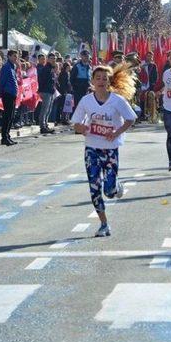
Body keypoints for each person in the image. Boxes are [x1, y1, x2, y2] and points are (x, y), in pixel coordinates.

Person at [71, 63, 137, 237]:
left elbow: (131, 119)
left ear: (109, 81)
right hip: (91, 148)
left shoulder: (117, 100)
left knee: (109, 191)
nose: (101, 81)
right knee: (94, 187)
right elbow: (76, 122)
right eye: (97, 78)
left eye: (104, 78)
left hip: (110, 149)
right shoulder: (86, 101)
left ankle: (115, 186)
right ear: (92, 81)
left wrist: (116, 132)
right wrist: (83, 128)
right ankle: (104, 224)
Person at [0, 49, 18, 145]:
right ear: (9, 56)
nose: (15, 58)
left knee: (11, 116)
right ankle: (4, 137)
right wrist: (1, 93)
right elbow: (2, 81)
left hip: (13, 94)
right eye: (14, 56)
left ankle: (7, 135)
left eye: (16, 56)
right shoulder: (6, 67)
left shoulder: (13, 67)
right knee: (7, 116)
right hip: (7, 94)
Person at [37, 52, 57, 134]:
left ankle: (45, 124)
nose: (53, 60)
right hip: (46, 91)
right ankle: (42, 126)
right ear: (48, 59)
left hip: (50, 91)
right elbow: (43, 80)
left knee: (48, 110)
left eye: (54, 58)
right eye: (51, 58)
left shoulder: (51, 68)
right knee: (44, 110)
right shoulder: (46, 68)